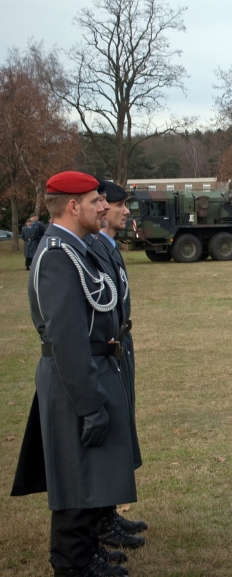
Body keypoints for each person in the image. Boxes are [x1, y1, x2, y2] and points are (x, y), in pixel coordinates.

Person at [11, 171, 139, 577]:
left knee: (90, 471)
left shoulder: (75, 248)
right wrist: (90, 404)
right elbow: (67, 340)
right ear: (72, 206)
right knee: (74, 475)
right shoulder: (56, 255)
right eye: (95, 201)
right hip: (75, 379)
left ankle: (86, 555)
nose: (104, 207)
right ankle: (73, 564)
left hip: (94, 369)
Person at [85, 181, 147, 555]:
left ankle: (108, 512)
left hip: (119, 345)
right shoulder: (92, 246)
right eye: (120, 204)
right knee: (107, 434)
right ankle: (100, 520)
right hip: (104, 350)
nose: (126, 211)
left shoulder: (107, 245)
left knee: (122, 426)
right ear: (104, 206)